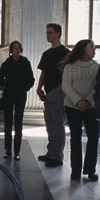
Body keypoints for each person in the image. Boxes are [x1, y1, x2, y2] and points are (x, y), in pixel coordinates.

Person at [61, 39, 100, 181]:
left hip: (90, 107)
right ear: (83, 49)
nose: (94, 49)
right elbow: (66, 85)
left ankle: (90, 169)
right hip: (72, 106)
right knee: (75, 137)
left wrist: (88, 101)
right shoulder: (70, 66)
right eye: (91, 47)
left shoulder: (96, 67)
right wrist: (78, 101)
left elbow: (98, 86)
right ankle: (75, 170)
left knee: (93, 137)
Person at [36, 24, 70, 167]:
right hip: (48, 92)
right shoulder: (47, 54)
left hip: (58, 92)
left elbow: (68, 73)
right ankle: (51, 152)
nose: (47, 35)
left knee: (57, 125)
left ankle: (57, 156)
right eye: (46, 32)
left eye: (50, 32)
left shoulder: (66, 53)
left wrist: (59, 88)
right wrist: (39, 88)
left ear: (58, 34)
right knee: (50, 125)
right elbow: (43, 72)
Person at [0, 40, 35, 161]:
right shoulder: (7, 63)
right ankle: (8, 150)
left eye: (18, 48)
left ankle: (17, 151)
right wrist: (4, 86)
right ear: (11, 50)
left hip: (20, 95)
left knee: (18, 123)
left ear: (20, 50)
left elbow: (31, 79)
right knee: (7, 123)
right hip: (9, 94)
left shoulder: (25, 63)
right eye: (14, 48)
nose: (16, 50)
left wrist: (24, 88)